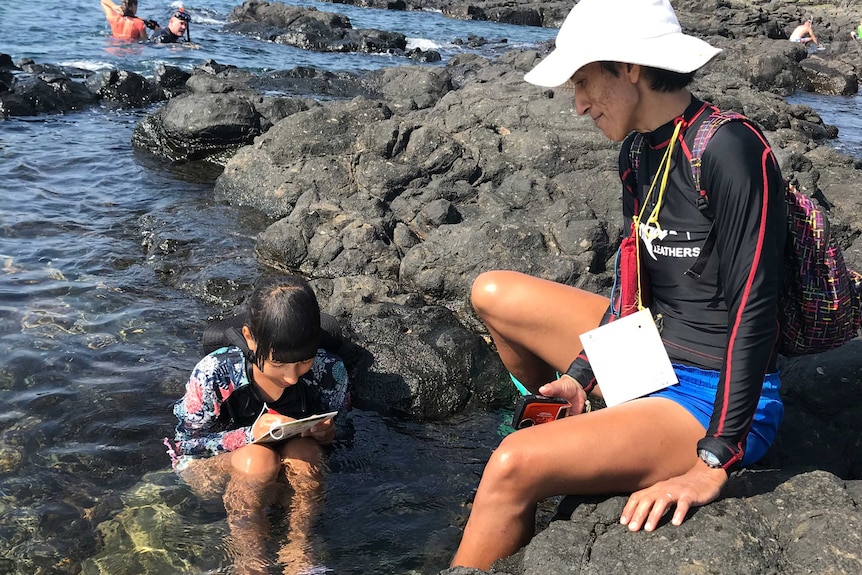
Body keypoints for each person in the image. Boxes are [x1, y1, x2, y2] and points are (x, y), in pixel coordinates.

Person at [450, 0, 786, 569]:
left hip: (710, 395)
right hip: (649, 356)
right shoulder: (637, 152)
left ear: (630, 67)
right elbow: (634, 291)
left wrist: (714, 462)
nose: (578, 105)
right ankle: (564, 426)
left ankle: (533, 470)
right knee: (492, 293)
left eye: (584, 81)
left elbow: (757, 309)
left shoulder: (731, 149)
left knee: (512, 464)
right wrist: (583, 376)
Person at [164, 275, 351, 575]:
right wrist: (249, 435)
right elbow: (184, 445)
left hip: (293, 470)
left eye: (304, 361)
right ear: (250, 338)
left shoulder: (329, 371)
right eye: (278, 364)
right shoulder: (215, 373)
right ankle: (249, 559)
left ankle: (299, 548)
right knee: (257, 459)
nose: (292, 377)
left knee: (305, 452)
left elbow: (345, 430)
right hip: (216, 472)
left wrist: (329, 433)